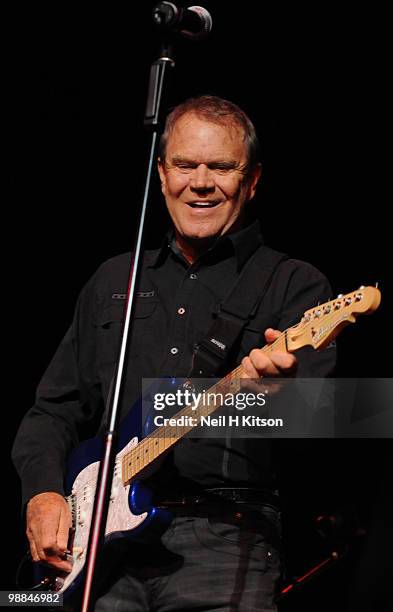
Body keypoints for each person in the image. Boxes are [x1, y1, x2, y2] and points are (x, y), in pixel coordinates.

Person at [12, 95, 336, 611]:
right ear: (161, 175)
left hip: (225, 537)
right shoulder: (113, 278)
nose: (201, 182)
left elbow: (342, 424)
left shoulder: (294, 283)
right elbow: (52, 410)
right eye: (185, 164)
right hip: (98, 546)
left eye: (221, 167)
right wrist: (43, 493)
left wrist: (277, 397)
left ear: (251, 180)